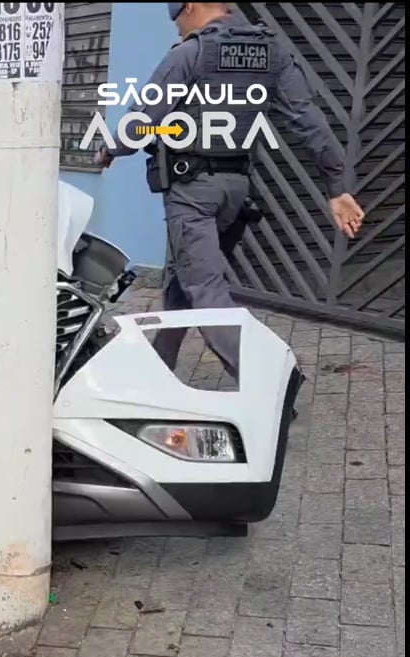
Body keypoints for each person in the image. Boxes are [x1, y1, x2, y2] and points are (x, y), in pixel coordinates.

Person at [94, 2, 365, 382]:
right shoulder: (272, 51)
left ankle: (265, 383)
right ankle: (158, 369)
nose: (177, 28)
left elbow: (141, 122)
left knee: (205, 291)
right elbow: (308, 120)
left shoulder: (190, 52)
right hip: (235, 190)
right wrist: (337, 187)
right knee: (183, 279)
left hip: (192, 192)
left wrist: (110, 149)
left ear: (190, 6)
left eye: (176, 19)